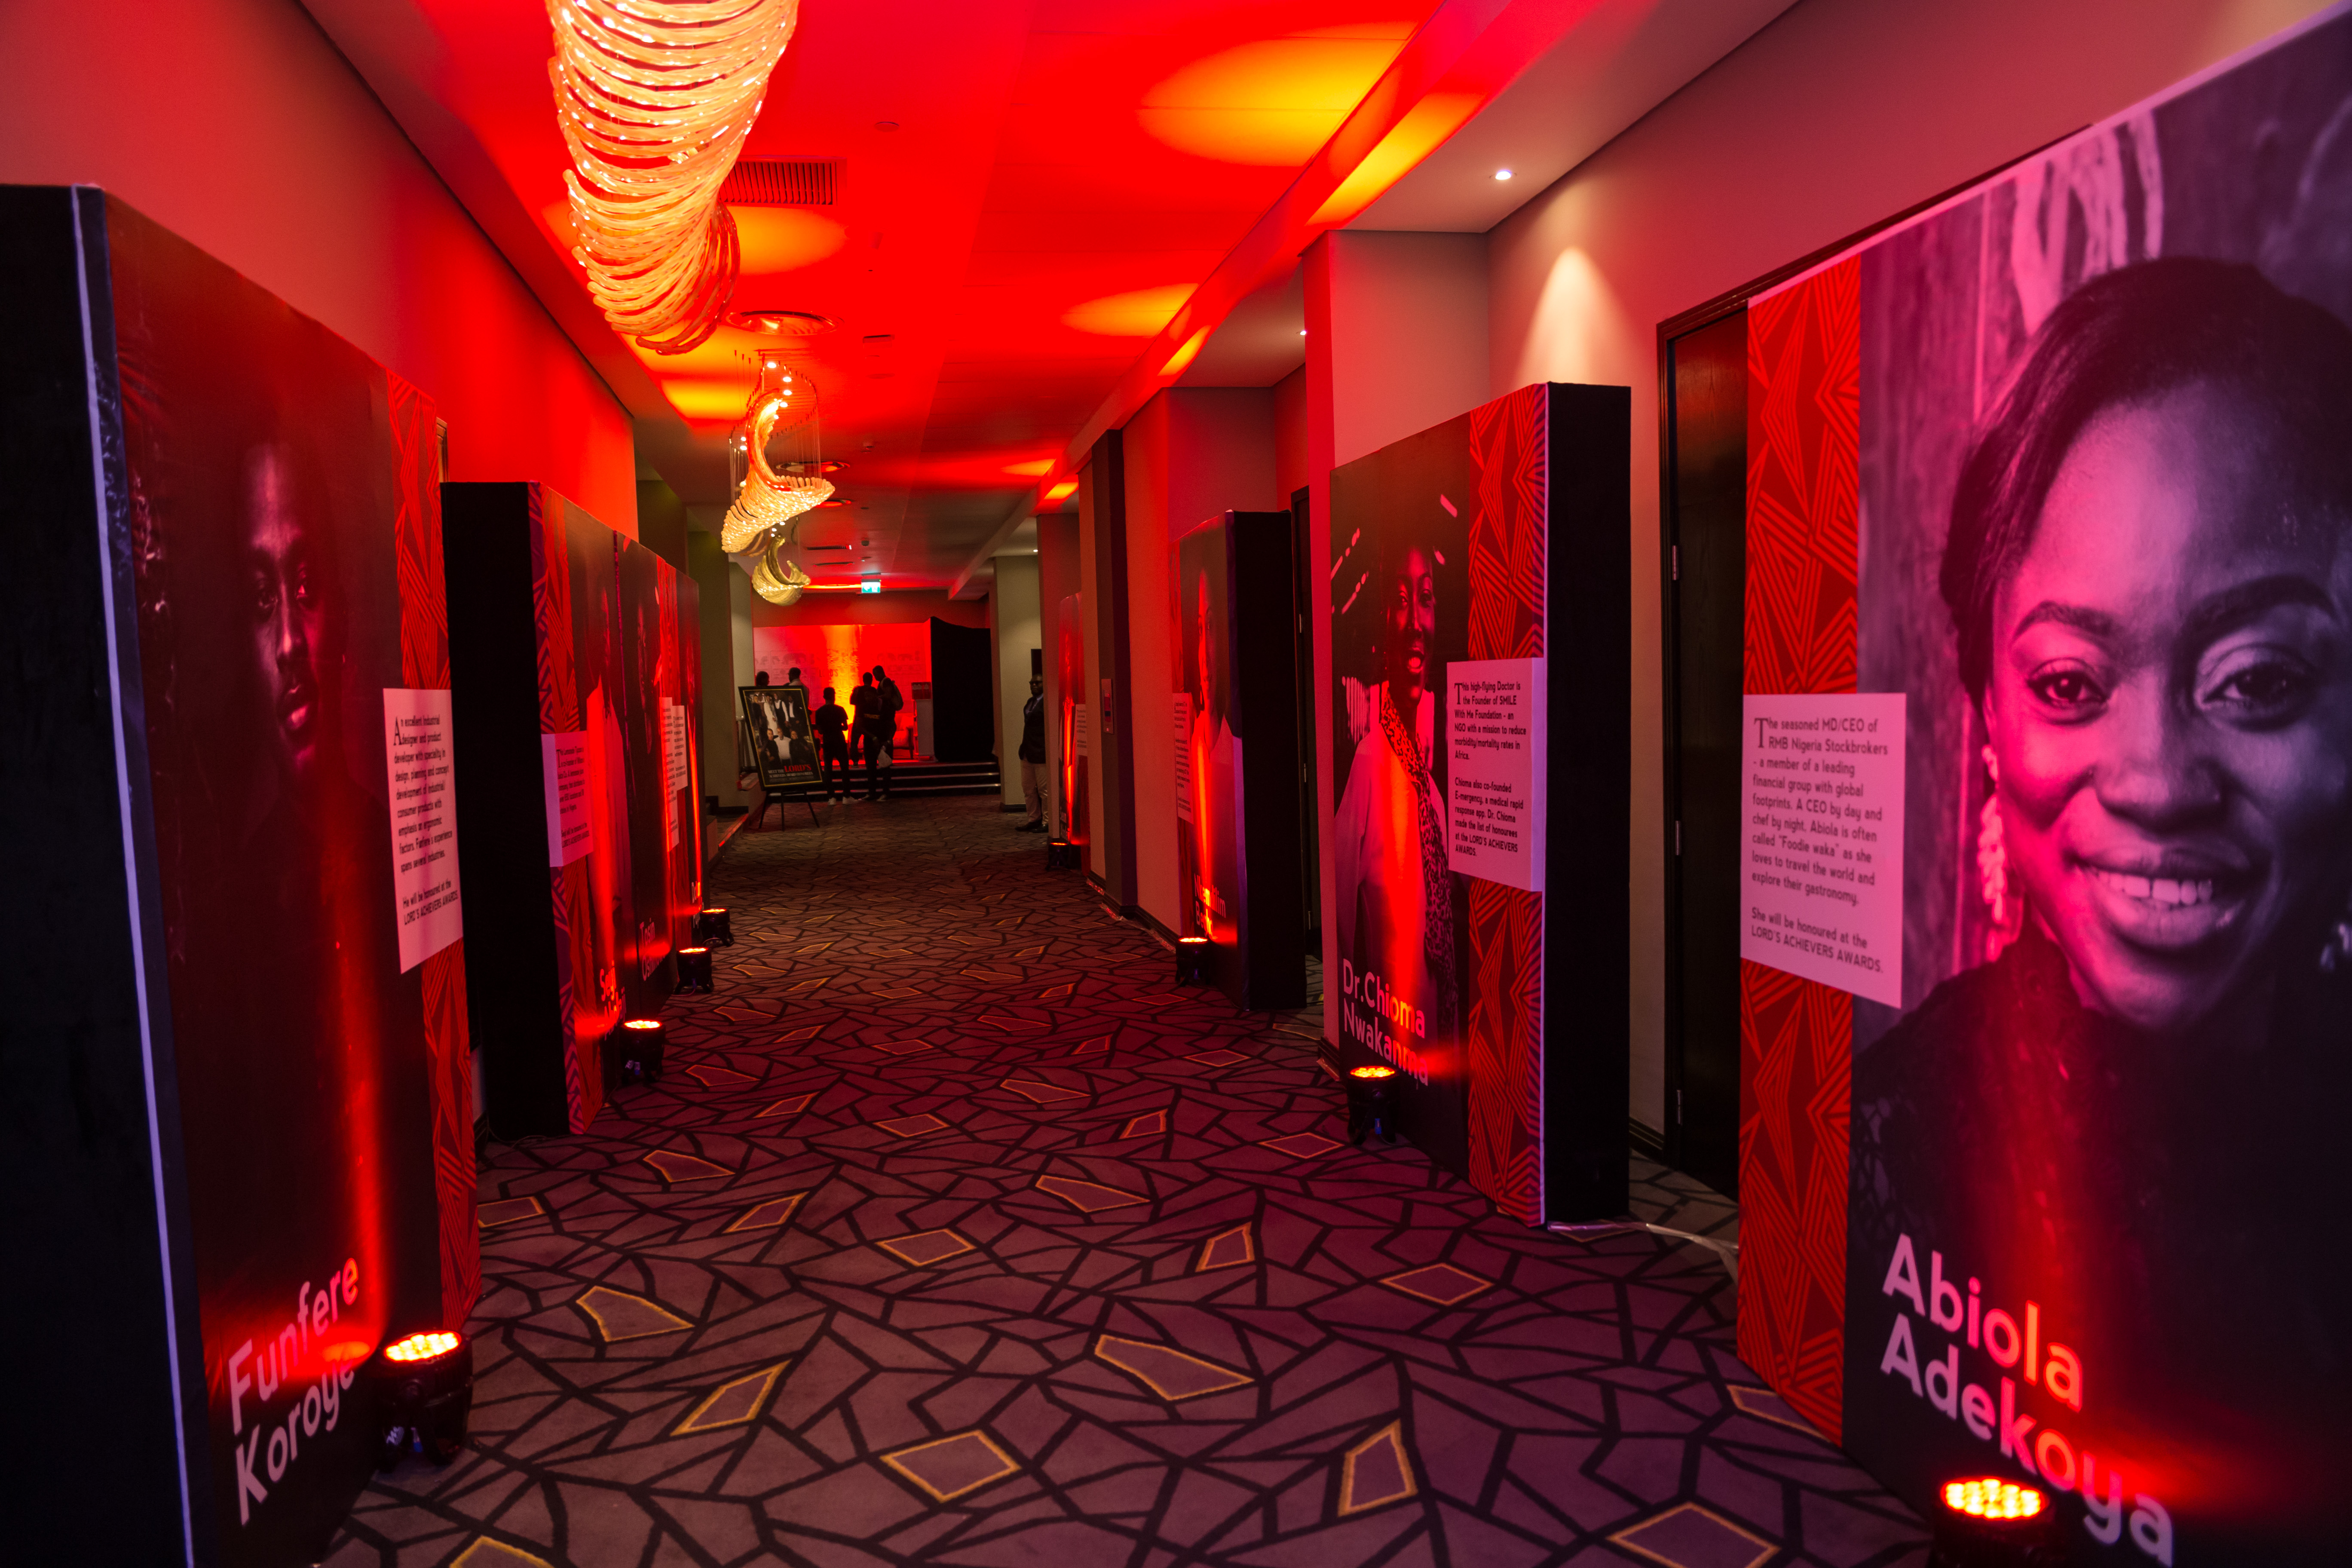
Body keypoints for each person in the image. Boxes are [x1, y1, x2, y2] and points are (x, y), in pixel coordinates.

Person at [1851, 259, 2352, 1550]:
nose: (2155, 782)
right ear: (1986, 716)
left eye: (2255, 679)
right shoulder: (1894, 1136)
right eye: (2070, 684)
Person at [1332, 534, 1456, 1054]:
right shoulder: (1369, 764)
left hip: (1436, 1045)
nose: (1414, 622)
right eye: (1401, 600)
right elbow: (1340, 922)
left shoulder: (1432, 794)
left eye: (1424, 598)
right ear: (1384, 620)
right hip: (1392, 1037)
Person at [850, 672, 889, 800]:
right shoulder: (863, 706)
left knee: (884, 767)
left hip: (882, 740)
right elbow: (859, 726)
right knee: (871, 768)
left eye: (869, 696)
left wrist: (887, 740)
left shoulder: (882, 706)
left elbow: (889, 724)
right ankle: (873, 792)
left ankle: (885, 792)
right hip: (870, 739)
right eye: (866, 696)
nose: (867, 698)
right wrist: (873, 737)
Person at [1017, 674, 1048, 831]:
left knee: (1044, 790)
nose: (1034, 685)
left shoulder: (1047, 703)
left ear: (1044, 684)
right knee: (1028, 789)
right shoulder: (1030, 702)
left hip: (1041, 753)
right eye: (1031, 683)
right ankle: (1034, 819)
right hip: (1027, 753)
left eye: (1037, 683)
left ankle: (1047, 822)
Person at [812, 685, 851, 802]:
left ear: (824, 697)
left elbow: (820, 731)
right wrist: (837, 727)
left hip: (828, 741)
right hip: (839, 740)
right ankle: (846, 796)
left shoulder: (820, 712)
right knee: (845, 768)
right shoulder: (840, 709)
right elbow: (845, 727)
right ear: (834, 696)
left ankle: (832, 797)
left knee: (828, 769)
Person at [873, 664, 904, 755]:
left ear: (881, 673)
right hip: (887, 713)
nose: (875, 677)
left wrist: (878, 698)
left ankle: (888, 754)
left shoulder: (886, 682)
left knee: (887, 735)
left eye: (876, 675)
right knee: (886, 735)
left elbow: (888, 695)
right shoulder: (884, 682)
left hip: (888, 712)